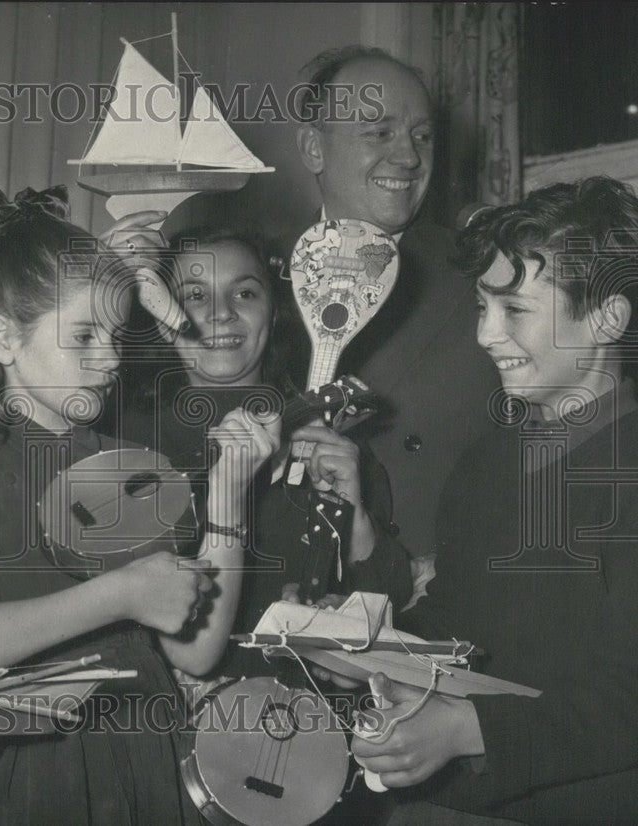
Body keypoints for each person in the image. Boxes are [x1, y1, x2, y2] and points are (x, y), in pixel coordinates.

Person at [0, 181, 276, 825]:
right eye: (84, 336)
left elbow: (194, 652)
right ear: (5, 338)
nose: (109, 360)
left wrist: (231, 490)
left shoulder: (134, 464)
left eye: (117, 338)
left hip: (140, 764)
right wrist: (116, 596)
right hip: (9, 777)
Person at [349, 177, 638, 825]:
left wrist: (466, 730)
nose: (485, 335)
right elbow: (456, 618)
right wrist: (367, 652)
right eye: (482, 307)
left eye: (514, 310)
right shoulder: (485, 460)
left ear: (606, 318)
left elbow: (629, 699)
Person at [170, 46, 501, 600]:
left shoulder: (485, 277)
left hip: (442, 608)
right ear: (313, 148)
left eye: (423, 137)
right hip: (270, 601)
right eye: (379, 133)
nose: (409, 157)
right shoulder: (251, 286)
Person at [120, 224, 412, 680]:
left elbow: (389, 604)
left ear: (275, 312)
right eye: (195, 295)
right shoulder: (124, 446)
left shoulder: (331, 436)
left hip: (299, 725)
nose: (220, 314)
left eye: (245, 294)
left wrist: (353, 519)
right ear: (161, 314)